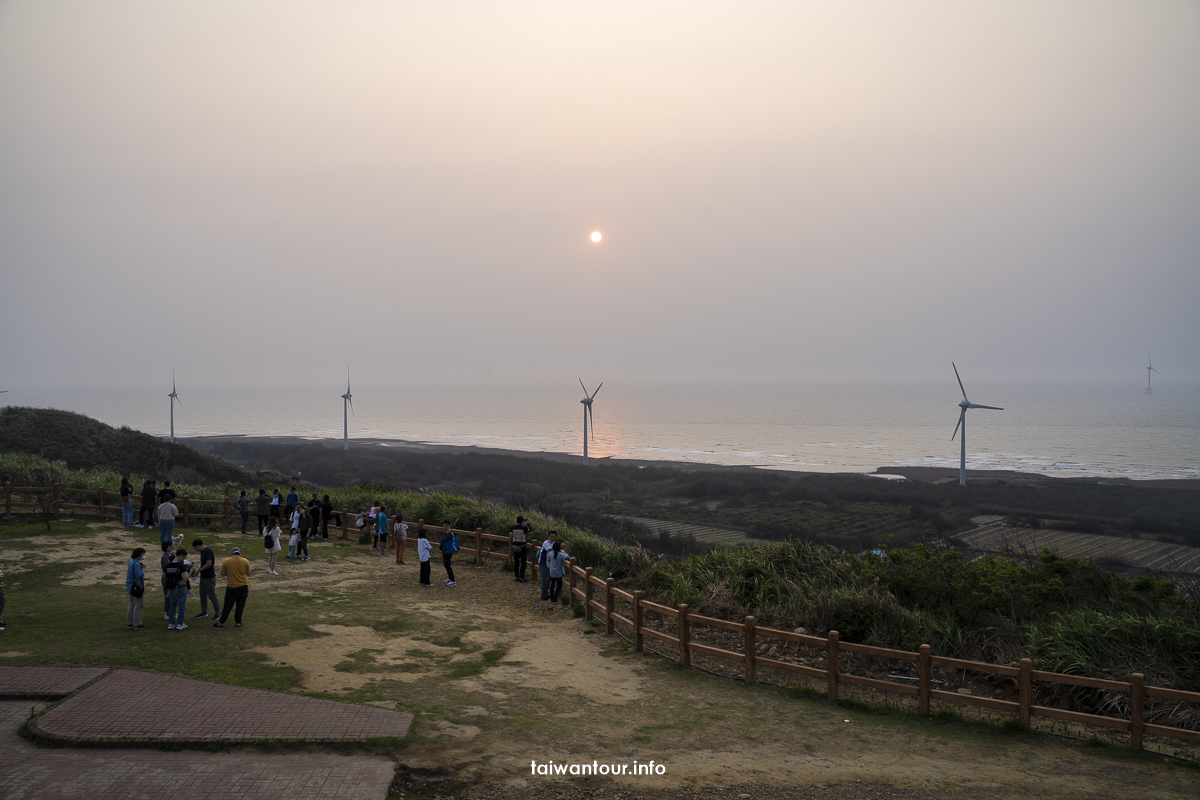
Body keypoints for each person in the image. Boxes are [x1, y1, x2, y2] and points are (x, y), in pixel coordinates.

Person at [214, 546, 251, 628]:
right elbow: (248, 574)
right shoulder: (245, 561)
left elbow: (222, 574)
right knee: (240, 605)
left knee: (227, 605)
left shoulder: (226, 561)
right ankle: (238, 622)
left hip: (232, 587)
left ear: (231, 553)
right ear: (239, 553)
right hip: (243, 586)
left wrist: (230, 572)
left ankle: (221, 622)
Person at [192, 538, 220, 620]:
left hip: (209, 577)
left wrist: (199, 570)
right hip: (203, 577)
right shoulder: (202, 552)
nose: (196, 550)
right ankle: (204, 612)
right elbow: (203, 563)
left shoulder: (208, 551)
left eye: (195, 548)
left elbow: (208, 564)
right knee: (202, 595)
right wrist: (198, 571)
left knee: (212, 596)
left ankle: (218, 613)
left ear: (198, 546)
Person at [163, 548, 191, 630]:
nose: (184, 559)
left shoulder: (167, 565)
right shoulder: (180, 566)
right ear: (181, 556)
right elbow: (185, 578)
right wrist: (191, 571)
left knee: (172, 606)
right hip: (180, 588)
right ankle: (180, 623)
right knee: (181, 606)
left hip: (171, 588)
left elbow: (163, 576)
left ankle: (171, 624)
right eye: (184, 557)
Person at [546, 540, 571, 605]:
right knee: (559, 586)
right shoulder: (560, 554)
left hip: (552, 572)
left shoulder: (550, 554)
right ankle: (554, 598)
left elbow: (548, 560)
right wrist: (564, 552)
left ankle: (552, 598)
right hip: (558, 573)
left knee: (552, 585)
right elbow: (567, 556)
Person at [538, 531, 558, 600]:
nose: (552, 538)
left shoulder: (555, 544)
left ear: (555, 538)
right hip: (543, 563)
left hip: (550, 564)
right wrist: (559, 547)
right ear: (548, 537)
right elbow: (549, 549)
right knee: (545, 580)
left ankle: (546, 593)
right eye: (551, 537)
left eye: (554, 537)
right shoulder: (545, 543)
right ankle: (543, 595)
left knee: (549, 579)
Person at [437, 520, 457, 587]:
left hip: (447, 551)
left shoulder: (450, 534)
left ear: (447, 525)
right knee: (446, 565)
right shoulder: (446, 533)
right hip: (445, 551)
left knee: (448, 565)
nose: (443, 527)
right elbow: (442, 539)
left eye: (444, 525)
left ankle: (453, 580)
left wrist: (441, 541)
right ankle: (450, 578)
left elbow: (442, 540)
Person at [511, 516, 530, 583]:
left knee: (516, 562)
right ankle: (522, 576)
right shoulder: (524, 528)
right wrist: (527, 523)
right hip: (522, 546)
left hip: (515, 546)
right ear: (522, 521)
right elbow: (529, 529)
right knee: (523, 562)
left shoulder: (513, 527)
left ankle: (517, 576)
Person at [159, 540, 174, 619]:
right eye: (170, 546)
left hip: (172, 578)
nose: (172, 547)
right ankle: (167, 613)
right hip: (167, 578)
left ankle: (172, 611)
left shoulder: (172, 555)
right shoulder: (165, 557)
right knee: (168, 595)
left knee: (172, 596)